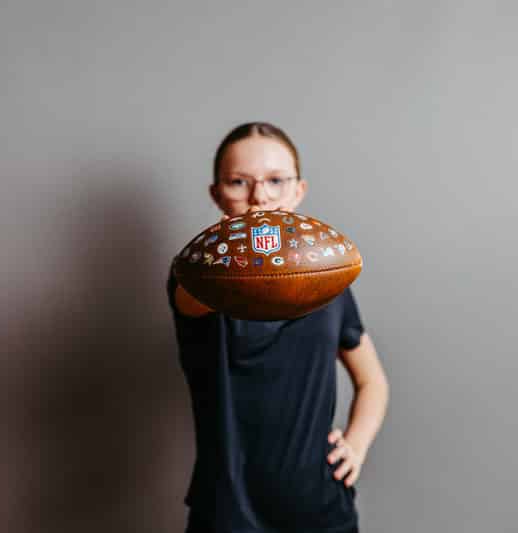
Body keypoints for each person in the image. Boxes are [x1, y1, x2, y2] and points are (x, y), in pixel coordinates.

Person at [166, 122, 389, 533]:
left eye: (275, 181)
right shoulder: (197, 277)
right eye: (239, 182)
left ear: (298, 191)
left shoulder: (330, 284)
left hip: (322, 511)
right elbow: (196, 291)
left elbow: (372, 380)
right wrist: (245, 243)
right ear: (216, 194)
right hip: (228, 515)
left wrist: (355, 446)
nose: (260, 197)